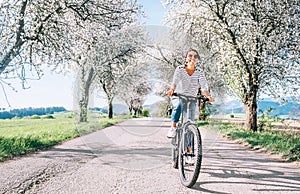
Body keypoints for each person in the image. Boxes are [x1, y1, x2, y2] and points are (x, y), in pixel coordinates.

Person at [166, 48, 214, 138]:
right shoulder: (180, 69)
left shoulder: (199, 72)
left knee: (190, 123)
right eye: (190, 55)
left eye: (195, 56)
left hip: (192, 98)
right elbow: (175, 81)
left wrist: (208, 96)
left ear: (197, 60)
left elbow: (203, 85)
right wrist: (172, 90)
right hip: (178, 95)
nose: (193, 58)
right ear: (186, 58)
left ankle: (189, 147)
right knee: (179, 105)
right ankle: (173, 126)